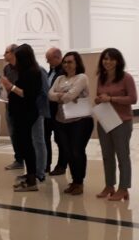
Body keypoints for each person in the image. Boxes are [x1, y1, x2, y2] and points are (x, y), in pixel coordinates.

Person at [94, 48, 137, 201]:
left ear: (118, 61)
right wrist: (99, 99)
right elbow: (99, 96)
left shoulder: (126, 78)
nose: (108, 62)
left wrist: (112, 99)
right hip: (105, 120)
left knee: (122, 156)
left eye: (111, 59)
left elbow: (133, 99)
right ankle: (109, 185)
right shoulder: (101, 77)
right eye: (105, 58)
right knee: (107, 156)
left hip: (122, 122)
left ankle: (123, 188)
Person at [47, 51, 92, 195]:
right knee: (68, 152)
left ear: (77, 63)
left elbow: (70, 96)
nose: (67, 64)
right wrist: (64, 95)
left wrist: (61, 95)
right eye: (65, 62)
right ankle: (74, 181)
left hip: (80, 121)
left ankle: (79, 182)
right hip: (61, 120)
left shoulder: (82, 77)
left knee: (77, 151)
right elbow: (49, 95)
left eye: (70, 62)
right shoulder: (60, 78)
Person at [0, 44, 41, 191]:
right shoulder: (25, 71)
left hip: (26, 113)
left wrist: (10, 86)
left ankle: (32, 180)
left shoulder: (32, 72)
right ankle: (30, 175)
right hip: (19, 113)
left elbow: (27, 94)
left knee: (28, 146)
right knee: (24, 145)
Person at [45, 47, 67, 175]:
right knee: (45, 137)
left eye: (49, 59)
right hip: (48, 110)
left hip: (58, 110)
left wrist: (53, 95)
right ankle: (46, 164)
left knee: (60, 139)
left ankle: (61, 165)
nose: (47, 62)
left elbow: (59, 92)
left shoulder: (64, 72)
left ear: (58, 58)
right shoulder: (51, 71)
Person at [2, 44, 24, 170]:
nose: (4, 55)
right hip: (9, 105)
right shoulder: (6, 68)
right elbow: (6, 87)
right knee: (13, 133)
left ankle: (30, 161)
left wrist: (11, 87)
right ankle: (18, 159)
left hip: (21, 106)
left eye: (6, 52)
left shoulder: (23, 68)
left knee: (23, 134)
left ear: (14, 53)